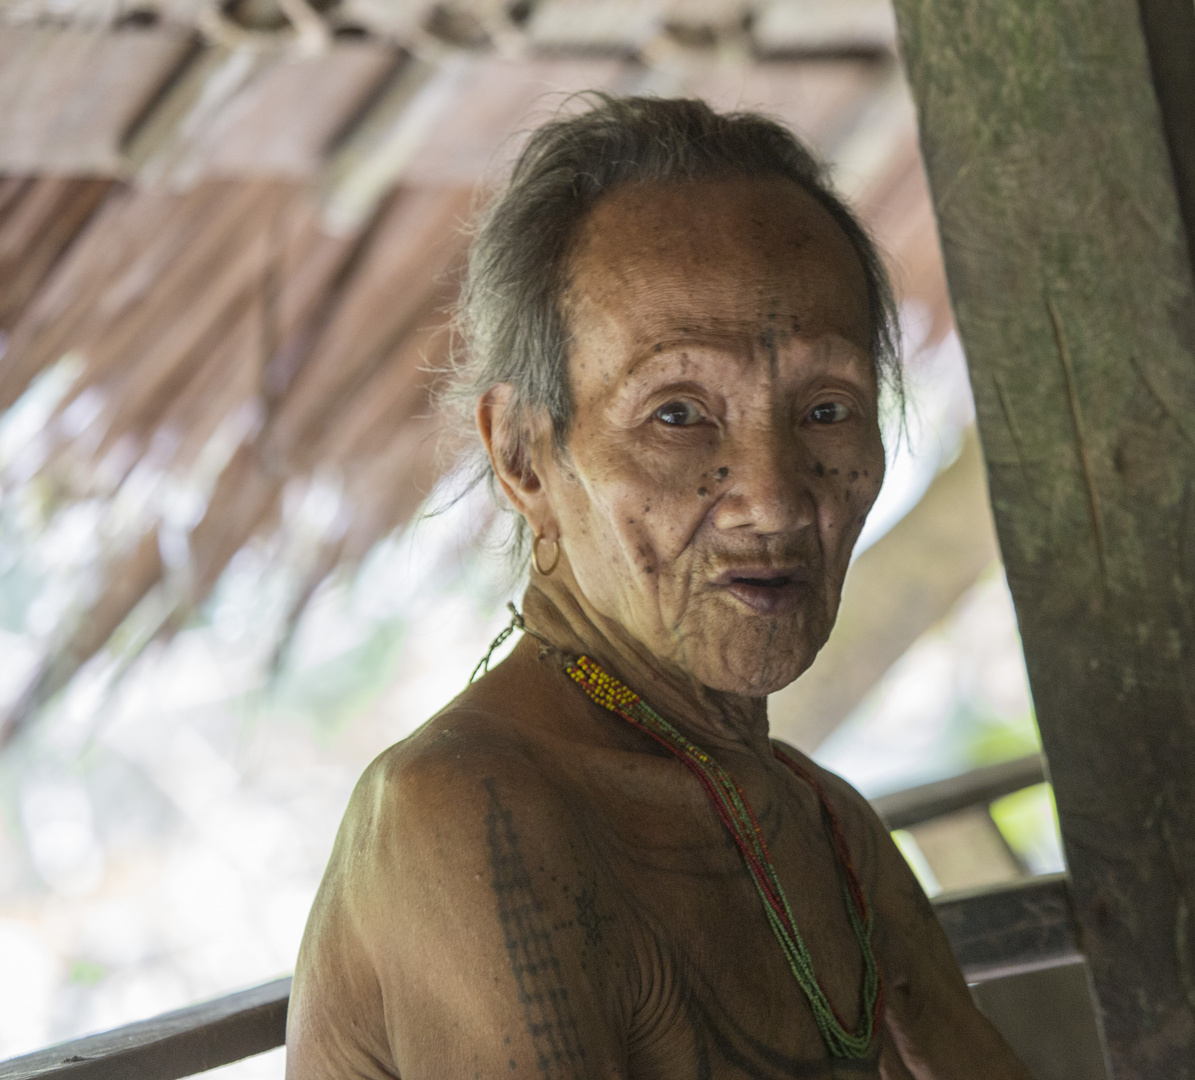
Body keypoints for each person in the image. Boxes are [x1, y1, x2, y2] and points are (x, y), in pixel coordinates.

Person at [287, 95, 1033, 1080]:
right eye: (676, 414)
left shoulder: (824, 828)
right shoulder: (468, 816)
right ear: (523, 456)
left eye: (824, 408)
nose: (769, 497)